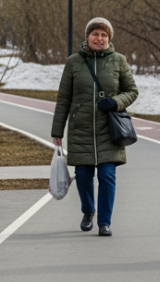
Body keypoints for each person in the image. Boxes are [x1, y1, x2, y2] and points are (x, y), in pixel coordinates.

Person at [51, 17, 139, 237]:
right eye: (95, 34)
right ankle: (88, 211)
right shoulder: (74, 62)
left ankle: (104, 222)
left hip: (109, 129)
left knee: (107, 176)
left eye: (103, 35)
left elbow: (132, 91)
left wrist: (116, 102)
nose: (99, 38)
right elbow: (64, 98)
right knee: (82, 175)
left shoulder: (119, 61)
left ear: (109, 38)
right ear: (87, 36)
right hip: (80, 129)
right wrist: (57, 131)